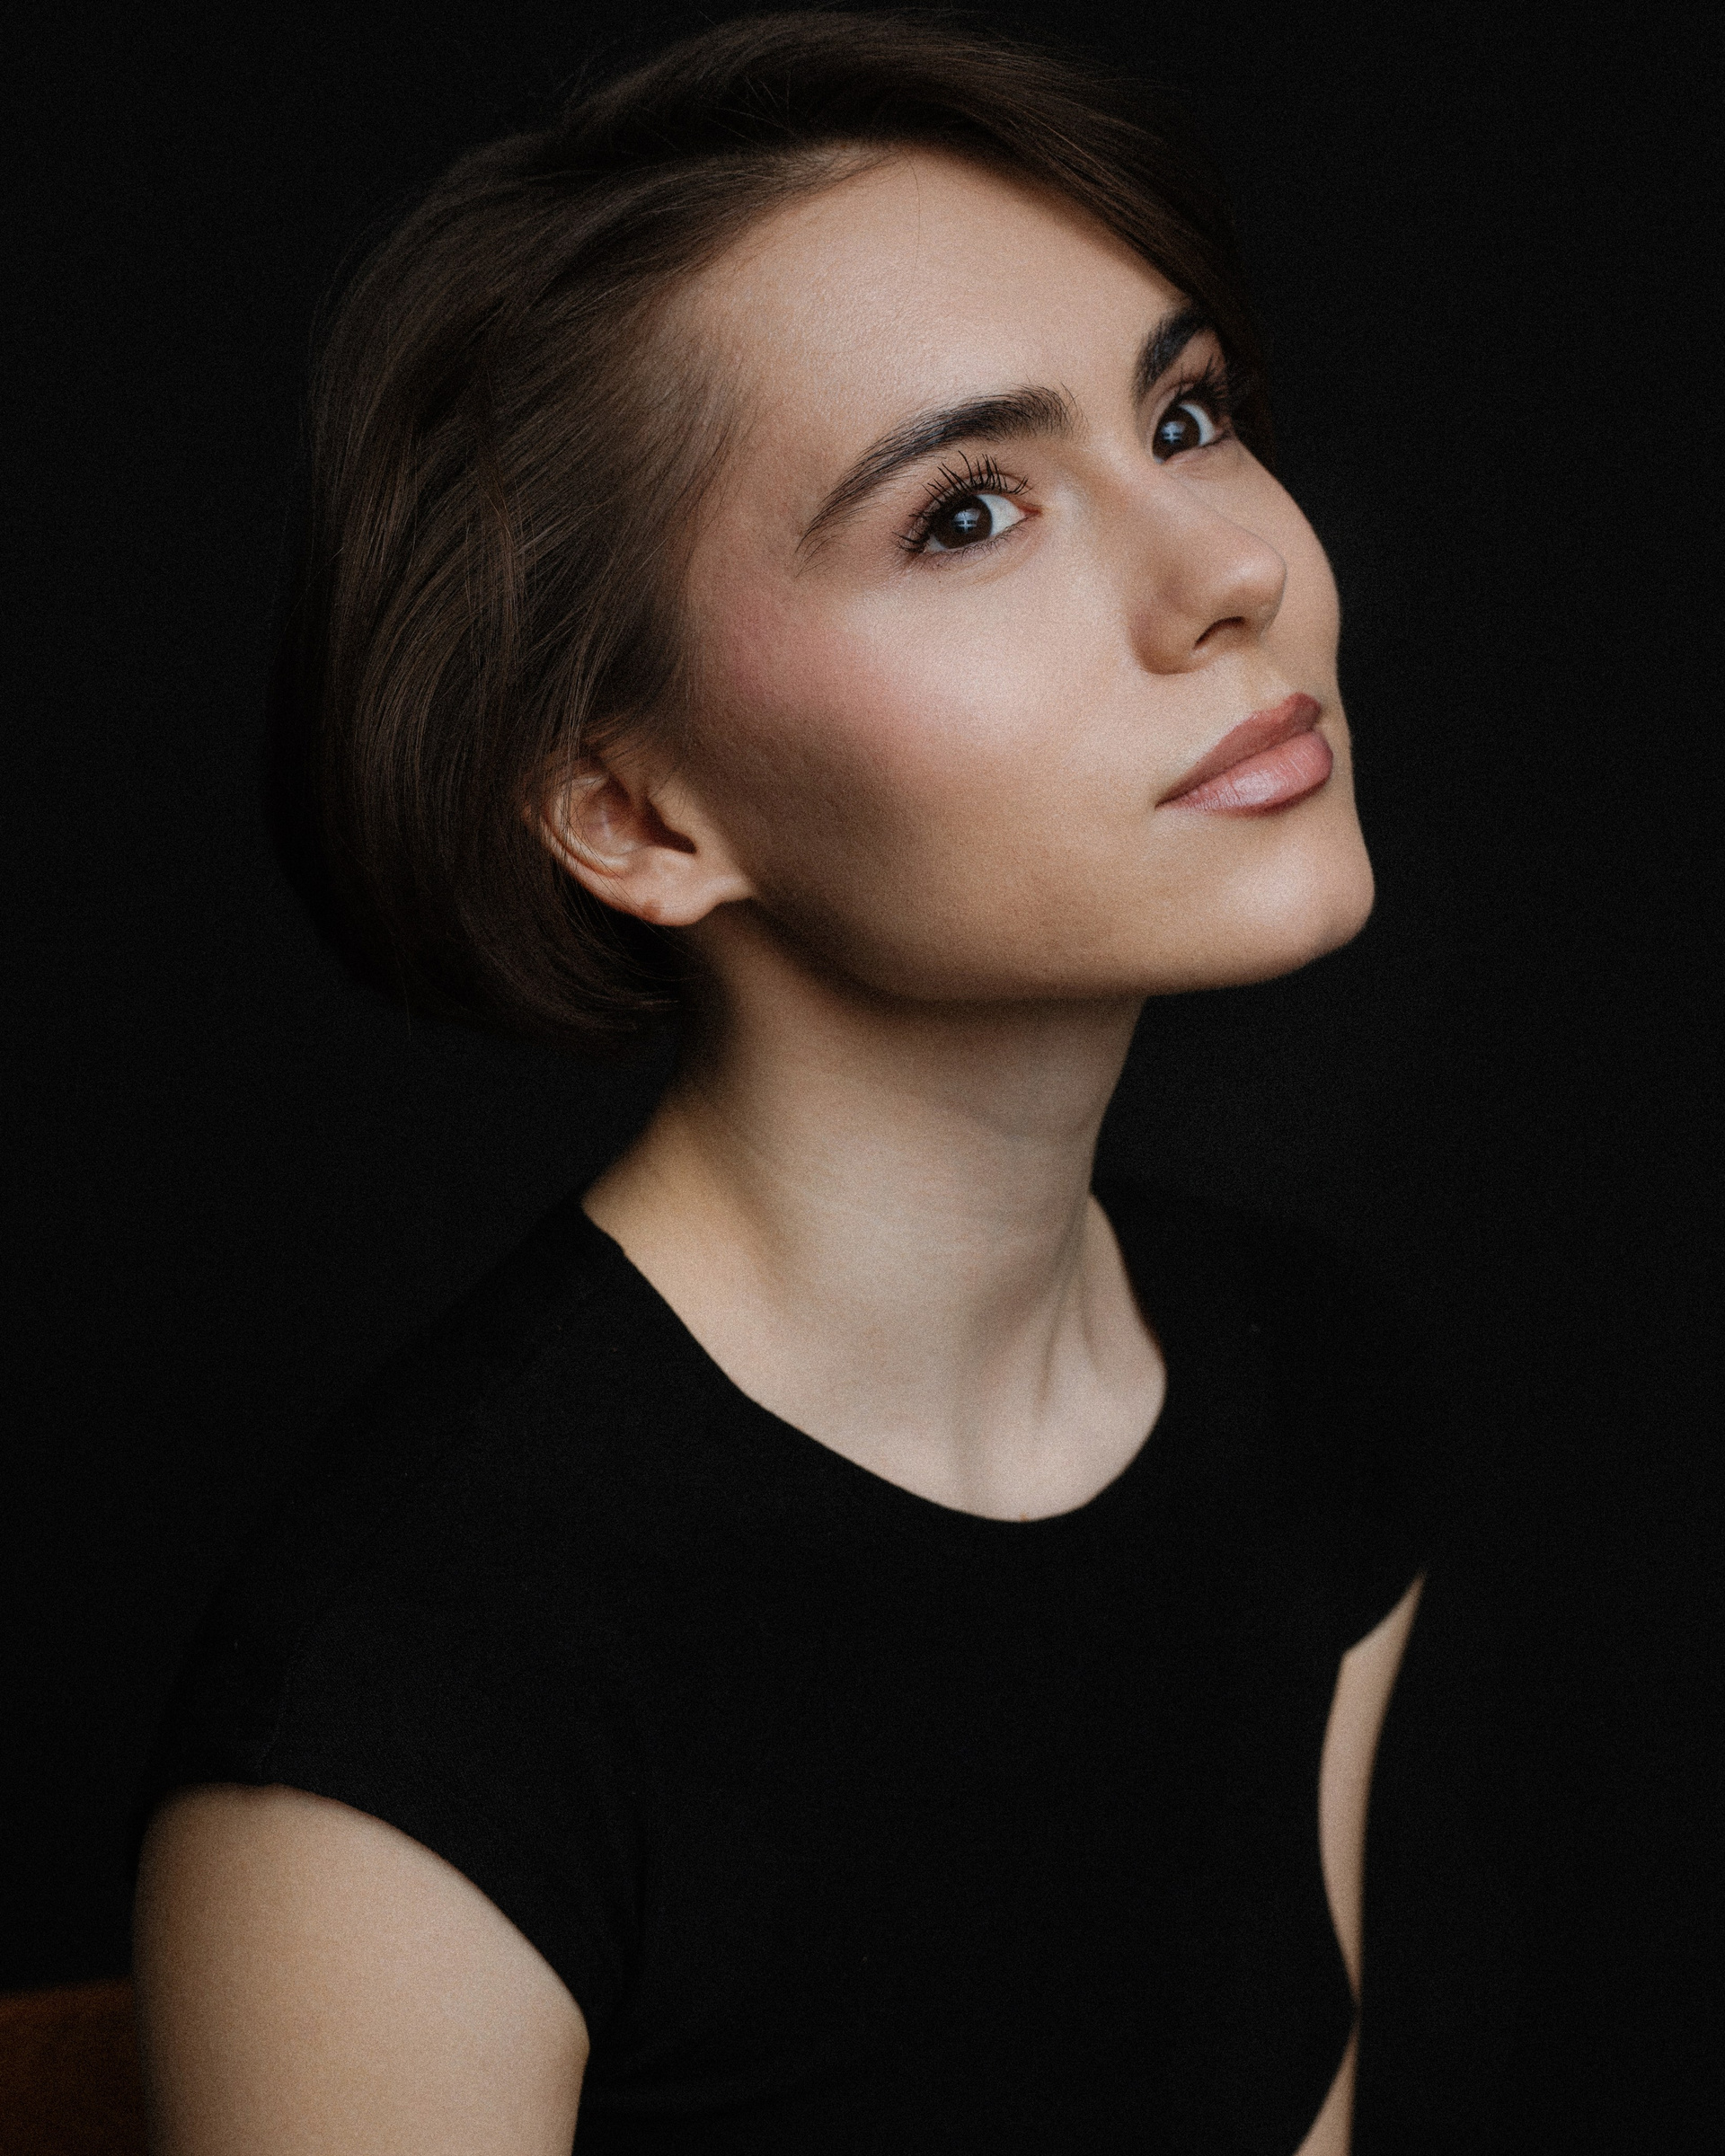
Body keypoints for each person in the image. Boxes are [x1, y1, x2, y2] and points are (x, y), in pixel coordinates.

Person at [132, 13, 1433, 2152]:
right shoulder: (413, 1701)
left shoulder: (1309, 1402)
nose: (1235, 572)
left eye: (1186, 415)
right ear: (632, 814)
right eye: (970, 512)